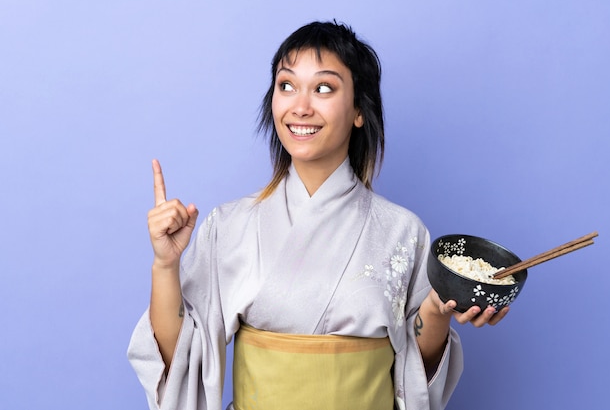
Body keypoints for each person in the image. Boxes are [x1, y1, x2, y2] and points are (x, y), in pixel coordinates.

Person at [128, 21, 509, 410]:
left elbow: (417, 375)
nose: (300, 106)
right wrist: (164, 266)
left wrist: (436, 313)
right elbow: (180, 364)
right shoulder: (230, 225)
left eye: (324, 88)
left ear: (360, 109)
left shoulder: (403, 232)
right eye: (286, 85)